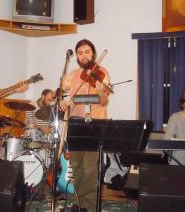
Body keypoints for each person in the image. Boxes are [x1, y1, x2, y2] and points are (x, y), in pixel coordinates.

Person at [61, 39, 111, 212]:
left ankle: (90, 207)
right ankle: (80, 203)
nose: (83, 56)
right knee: (76, 167)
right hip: (75, 124)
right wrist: (61, 100)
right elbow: (62, 91)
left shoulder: (101, 73)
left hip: (94, 124)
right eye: (80, 53)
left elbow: (104, 101)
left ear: (93, 54)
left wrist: (101, 90)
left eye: (87, 52)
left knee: (90, 169)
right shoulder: (73, 75)